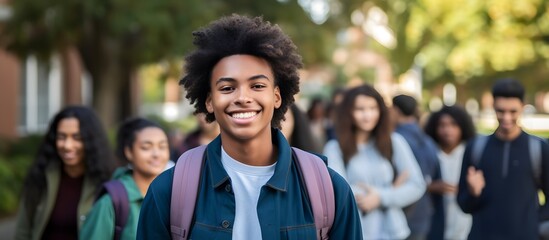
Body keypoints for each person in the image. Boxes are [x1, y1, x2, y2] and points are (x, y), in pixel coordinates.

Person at [137, 14, 362, 239]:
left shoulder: (329, 190)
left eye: (257, 85)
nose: (243, 97)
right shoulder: (169, 192)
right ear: (209, 101)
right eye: (227, 88)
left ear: (277, 97)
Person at [323, 84, 425, 240]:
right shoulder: (334, 148)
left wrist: (381, 197)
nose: (367, 115)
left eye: (373, 108)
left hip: (394, 232)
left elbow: (417, 184)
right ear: (348, 112)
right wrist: (392, 188)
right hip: (355, 232)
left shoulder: (395, 142)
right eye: (360, 109)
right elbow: (338, 191)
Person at [457, 78, 549, 240]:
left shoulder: (539, 148)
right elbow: (464, 204)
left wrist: (533, 222)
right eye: (500, 111)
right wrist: (473, 193)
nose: (506, 118)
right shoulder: (476, 147)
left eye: (513, 111)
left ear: (522, 107)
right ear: (493, 106)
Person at [15, 106, 116, 240]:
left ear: (92, 141)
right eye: (61, 137)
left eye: (77, 137)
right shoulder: (40, 177)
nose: (67, 145)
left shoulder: (108, 184)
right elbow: (23, 231)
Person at [80, 117, 171, 239]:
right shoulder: (112, 201)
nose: (156, 154)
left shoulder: (175, 195)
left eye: (162, 146)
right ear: (129, 152)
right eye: (146, 147)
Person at [392, 94, 445, 240]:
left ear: (396, 110)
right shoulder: (428, 140)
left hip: (403, 212)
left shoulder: (395, 139)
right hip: (424, 212)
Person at [424, 105, 475, 240]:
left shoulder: (470, 152)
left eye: (453, 125)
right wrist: (430, 187)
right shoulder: (430, 152)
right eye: (442, 125)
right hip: (434, 221)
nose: (447, 130)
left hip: (463, 222)